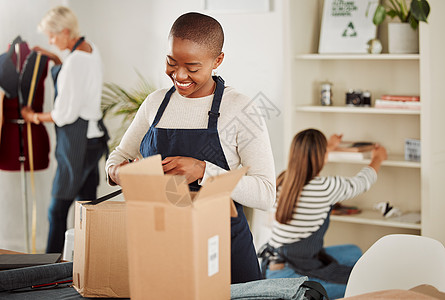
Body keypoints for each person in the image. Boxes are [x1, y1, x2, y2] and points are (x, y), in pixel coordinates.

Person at [105, 12, 276, 283]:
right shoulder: (155, 104)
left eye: (193, 68)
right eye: (171, 62)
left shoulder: (241, 109)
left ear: (217, 61)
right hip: (161, 246)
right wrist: (118, 173)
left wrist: (203, 171)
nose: (180, 75)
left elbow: (267, 195)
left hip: (222, 251)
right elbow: (118, 157)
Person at [258, 128, 387, 299]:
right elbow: (362, 182)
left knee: (354, 252)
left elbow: (310, 158)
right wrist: (377, 159)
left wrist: (329, 146)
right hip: (291, 277)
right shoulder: (324, 187)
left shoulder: (284, 179)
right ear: (321, 156)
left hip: (272, 267)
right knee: (360, 286)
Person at [20, 6, 109, 253]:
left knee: (57, 210)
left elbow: (64, 115)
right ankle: (86, 262)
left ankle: (48, 269)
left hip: (76, 142)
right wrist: (57, 58)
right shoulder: (90, 49)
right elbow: (79, 82)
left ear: (65, 31)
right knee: (86, 208)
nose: (50, 40)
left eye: (52, 35)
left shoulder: (74, 64)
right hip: (94, 140)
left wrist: (33, 116)